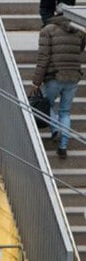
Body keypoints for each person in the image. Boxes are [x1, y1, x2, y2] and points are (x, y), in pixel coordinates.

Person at [32, 5, 86, 158]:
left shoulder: (47, 30)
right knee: (65, 111)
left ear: (55, 14)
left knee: (45, 103)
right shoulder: (80, 32)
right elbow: (80, 49)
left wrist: (36, 81)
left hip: (54, 76)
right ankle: (63, 146)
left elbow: (43, 58)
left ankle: (55, 128)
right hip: (73, 76)